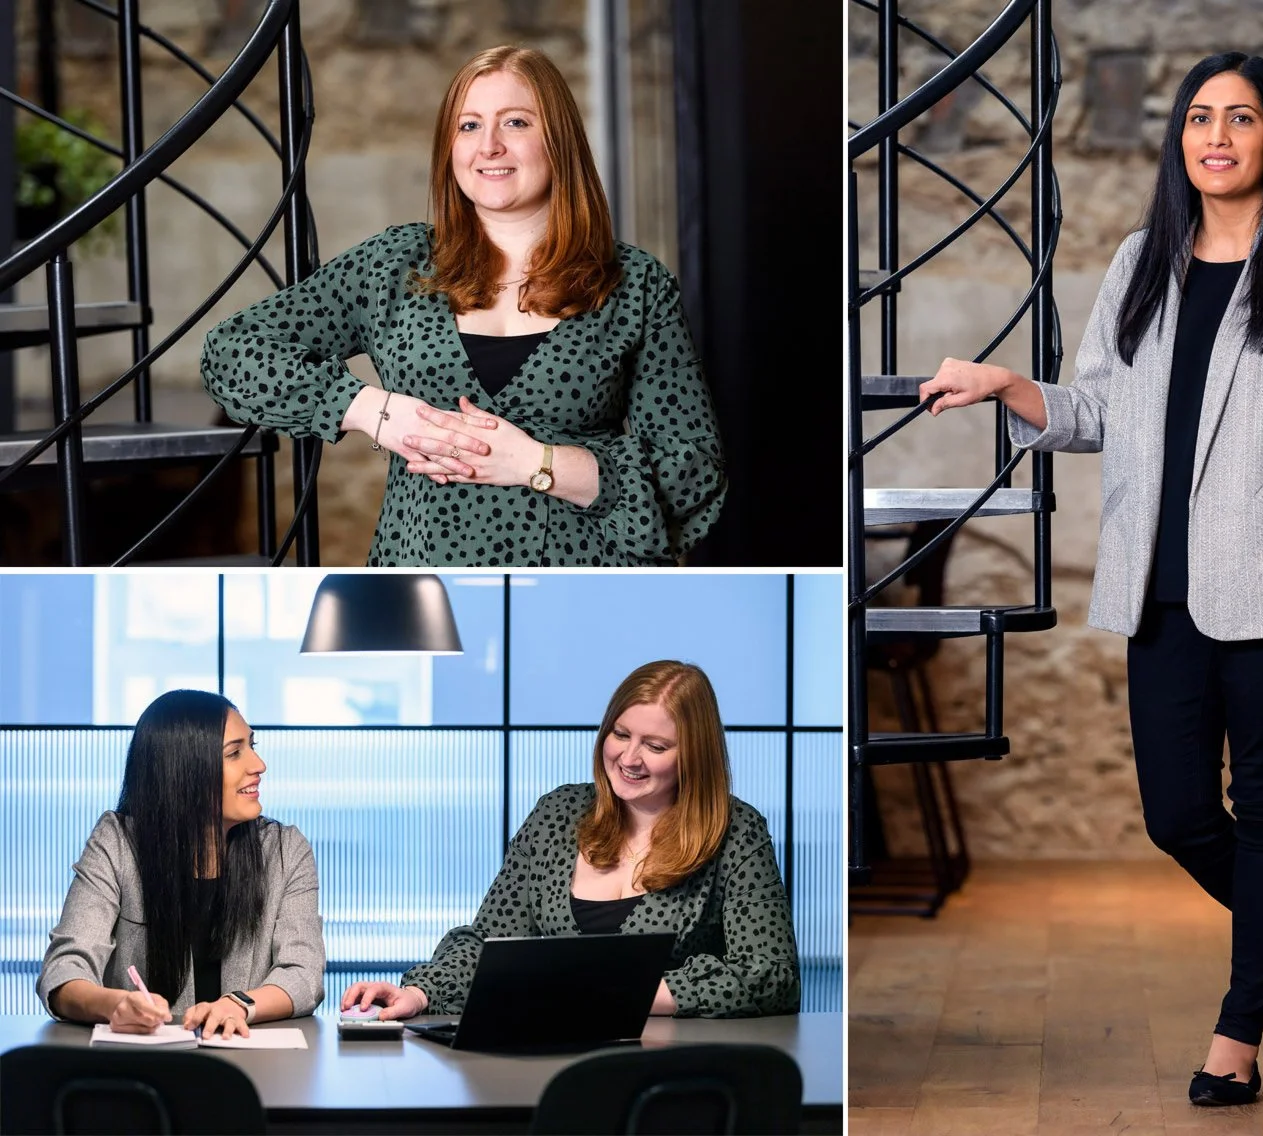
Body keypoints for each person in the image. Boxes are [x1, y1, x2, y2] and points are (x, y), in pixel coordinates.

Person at [919, 53, 1263, 1105]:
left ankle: (1237, 1036)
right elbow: (1095, 413)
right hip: (1158, 589)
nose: (1215, 134)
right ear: (1178, 139)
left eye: (1241, 117)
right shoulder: (1143, 258)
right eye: (1197, 117)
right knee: (1179, 816)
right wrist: (1009, 383)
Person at [201, 45, 725, 567]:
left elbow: (694, 469)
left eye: (515, 122)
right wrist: (377, 413)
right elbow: (231, 351)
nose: (489, 146)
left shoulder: (635, 284)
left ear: (559, 140)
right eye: (469, 126)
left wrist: (536, 463)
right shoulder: (394, 264)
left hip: (580, 576)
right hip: (423, 576)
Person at [341, 660, 800, 1020]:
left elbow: (772, 976)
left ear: (693, 757)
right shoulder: (557, 814)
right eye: (620, 735)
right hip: (552, 1051)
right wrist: (421, 993)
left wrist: (621, 994)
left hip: (673, 1064)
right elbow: (489, 943)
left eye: (656, 747)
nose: (629, 757)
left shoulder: (736, 830)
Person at [38, 690, 325, 1038]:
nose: (258, 765)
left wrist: (238, 1004)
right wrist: (115, 1006)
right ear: (184, 771)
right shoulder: (117, 842)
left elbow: (303, 973)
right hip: (144, 1071)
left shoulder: (284, 850)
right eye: (234, 753)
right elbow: (64, 970)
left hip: (253, 1068)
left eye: (253, 745)